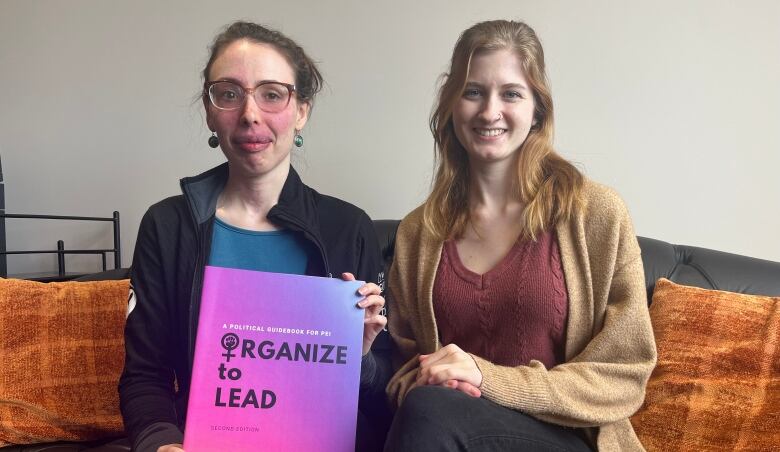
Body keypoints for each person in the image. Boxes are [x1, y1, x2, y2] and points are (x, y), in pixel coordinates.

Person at [382, 20, 657, 451]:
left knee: (432, 411)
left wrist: (485, 377)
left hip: (568, 438)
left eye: (511, 93)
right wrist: (422, 381)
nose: (490, 111)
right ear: (452, 106)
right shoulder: (419, 232)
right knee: (429, 408)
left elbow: (624, 372)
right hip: (447, 429)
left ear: (537, 112)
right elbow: (402, 369)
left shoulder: (596, 214)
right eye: (473, 92)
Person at [118, 21, 388, 452]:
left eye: (272, 93)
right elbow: (144, 376)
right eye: (229, 93)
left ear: (301, 110)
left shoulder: (348, 227)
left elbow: (384, 393)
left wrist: (358, 359)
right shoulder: (167, 227)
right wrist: (161, 444)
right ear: (209, 110)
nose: (250, 114)